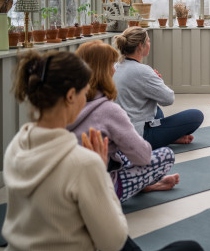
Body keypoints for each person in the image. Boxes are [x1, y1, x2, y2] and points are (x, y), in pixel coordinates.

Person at [0, 50, 210, 251]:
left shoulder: (18, 143)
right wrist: (100, 175)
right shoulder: (83, 162)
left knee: (101, 239)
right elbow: (112, 241)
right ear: (71, 96)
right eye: (85, 90)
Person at [69, 40, 180, 202]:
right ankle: (141, 185)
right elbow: (142, 157)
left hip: (67, 187)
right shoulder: (109, 109)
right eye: (111, 65)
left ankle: (145, 185)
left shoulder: (66, 103)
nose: (115, 70)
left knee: (119, 154)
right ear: (104, 70)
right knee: (166, 154)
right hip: (99, 192)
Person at [113, 27, 204, 150]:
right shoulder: (143, 71)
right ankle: (168, 137)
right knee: (196, 116)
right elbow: (168, 99)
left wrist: (152, 81)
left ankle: (168, 136)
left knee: (156, 109)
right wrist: (157, 79)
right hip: (139, 137)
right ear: (141, 46)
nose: (150, 44)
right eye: (148, 41)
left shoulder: (116, 66)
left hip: (119, 132)